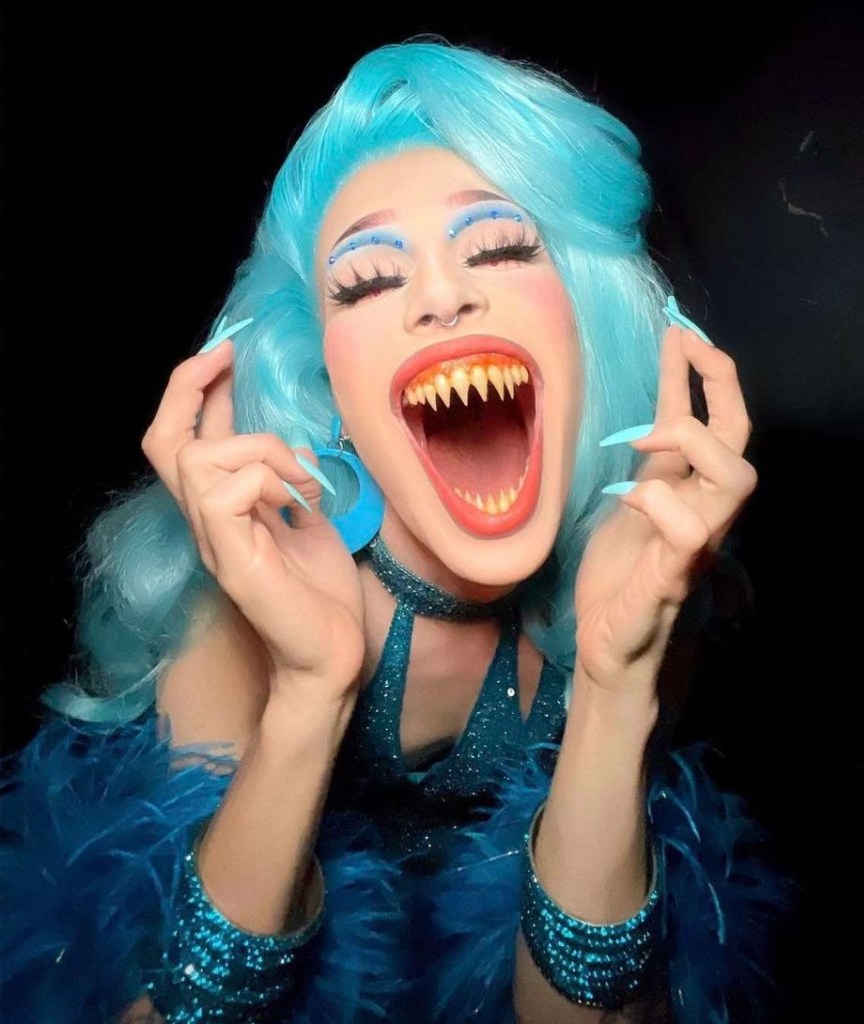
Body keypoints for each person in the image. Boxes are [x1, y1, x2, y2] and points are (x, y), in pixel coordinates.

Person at [0, 38, 785, 1024]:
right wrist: (310, 689)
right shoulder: (242, 605)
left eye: (499, 247)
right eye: (369, 279)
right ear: (328, 381)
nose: (443, 295)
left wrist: (615, 684)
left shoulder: (649, 581)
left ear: (585, 321)